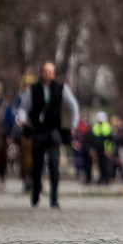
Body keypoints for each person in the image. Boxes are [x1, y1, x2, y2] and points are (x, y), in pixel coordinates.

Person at [20, 62, 77, 209]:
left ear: (54, 73)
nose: (49, 74)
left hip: (53, 132)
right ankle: (35, 193)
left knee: (54, 165)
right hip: (38, 132)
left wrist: (74, 124)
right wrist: (22, 119)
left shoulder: (61, 88)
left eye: (51, 72)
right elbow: (23, 108)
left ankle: (54, 197)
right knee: (36, 166)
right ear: (42, 73)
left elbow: (74, 106)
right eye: (46, 71)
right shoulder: (32, 89)